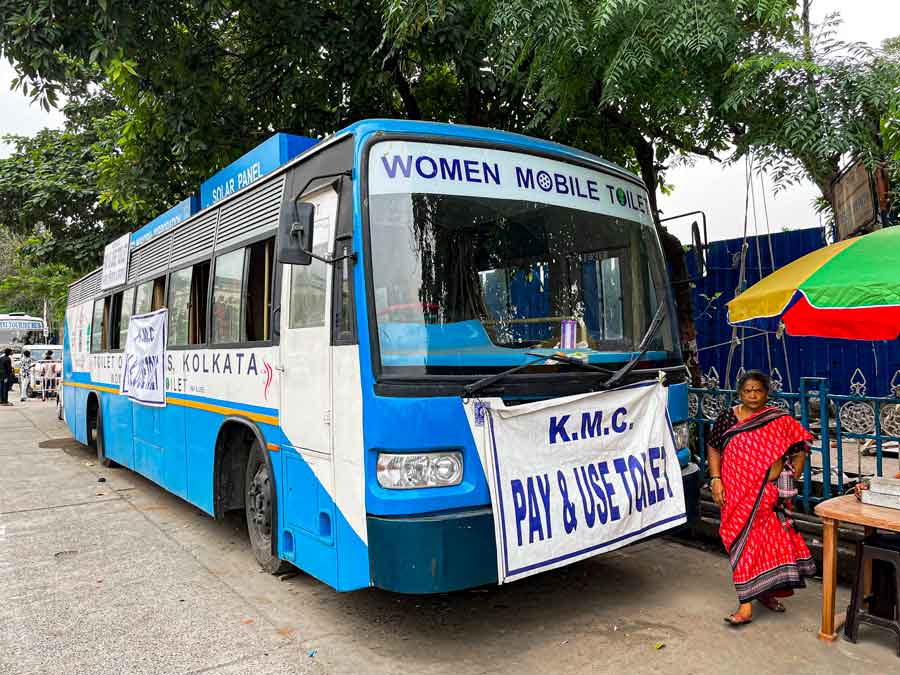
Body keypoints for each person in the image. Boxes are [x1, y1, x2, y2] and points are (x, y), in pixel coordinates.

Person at [706, 370, 815, 626]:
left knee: (764, 545)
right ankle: (752, 595)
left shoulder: (779, 420)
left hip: (767, 495)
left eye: (758, 390)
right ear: (739, 393)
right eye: (747, 391)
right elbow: (713, 446)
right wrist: (715, 478)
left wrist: (792, 475)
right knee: (740, 542)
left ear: (767, 393)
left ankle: (751, 603)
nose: (753, 395)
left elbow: (800, 446)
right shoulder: (727, 418)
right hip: (734, 493)